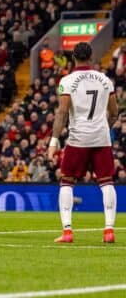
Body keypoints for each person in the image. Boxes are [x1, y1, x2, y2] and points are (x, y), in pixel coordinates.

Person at [48, 42, 118, 244]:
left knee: (67, 181)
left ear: (73, 58)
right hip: (101, 137)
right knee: (106, 182)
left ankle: (68, 231)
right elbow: (114, 113)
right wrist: (103, 126)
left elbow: (62, 112)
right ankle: (108, 230)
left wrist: (54, 141)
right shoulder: (105, 80)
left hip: (78, 138)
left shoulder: (67, 81)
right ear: (91, 57)